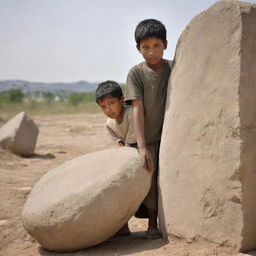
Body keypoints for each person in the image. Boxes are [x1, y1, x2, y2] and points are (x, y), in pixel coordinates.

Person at [125, 19, 172, 239]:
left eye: (156, 46)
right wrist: (142, 146)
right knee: (149, 181)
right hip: (146, 138)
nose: (152, 52)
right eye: (146, 47)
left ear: (166, 44)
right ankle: (151, 224)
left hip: (170, 136)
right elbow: (137, 109)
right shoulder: (136, 74)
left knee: (167, 179)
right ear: (138, 49)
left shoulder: (173, 68)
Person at [95, 80, 136, 236]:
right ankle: (121, 226)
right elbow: (121, 144)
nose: (108, 109)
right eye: (103, 106)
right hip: (127, 154)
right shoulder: (109, 124)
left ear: (122, 100)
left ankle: (152, 224)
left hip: (141, 151)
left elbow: (132, 144)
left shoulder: (132, 114)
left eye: (111, 103)